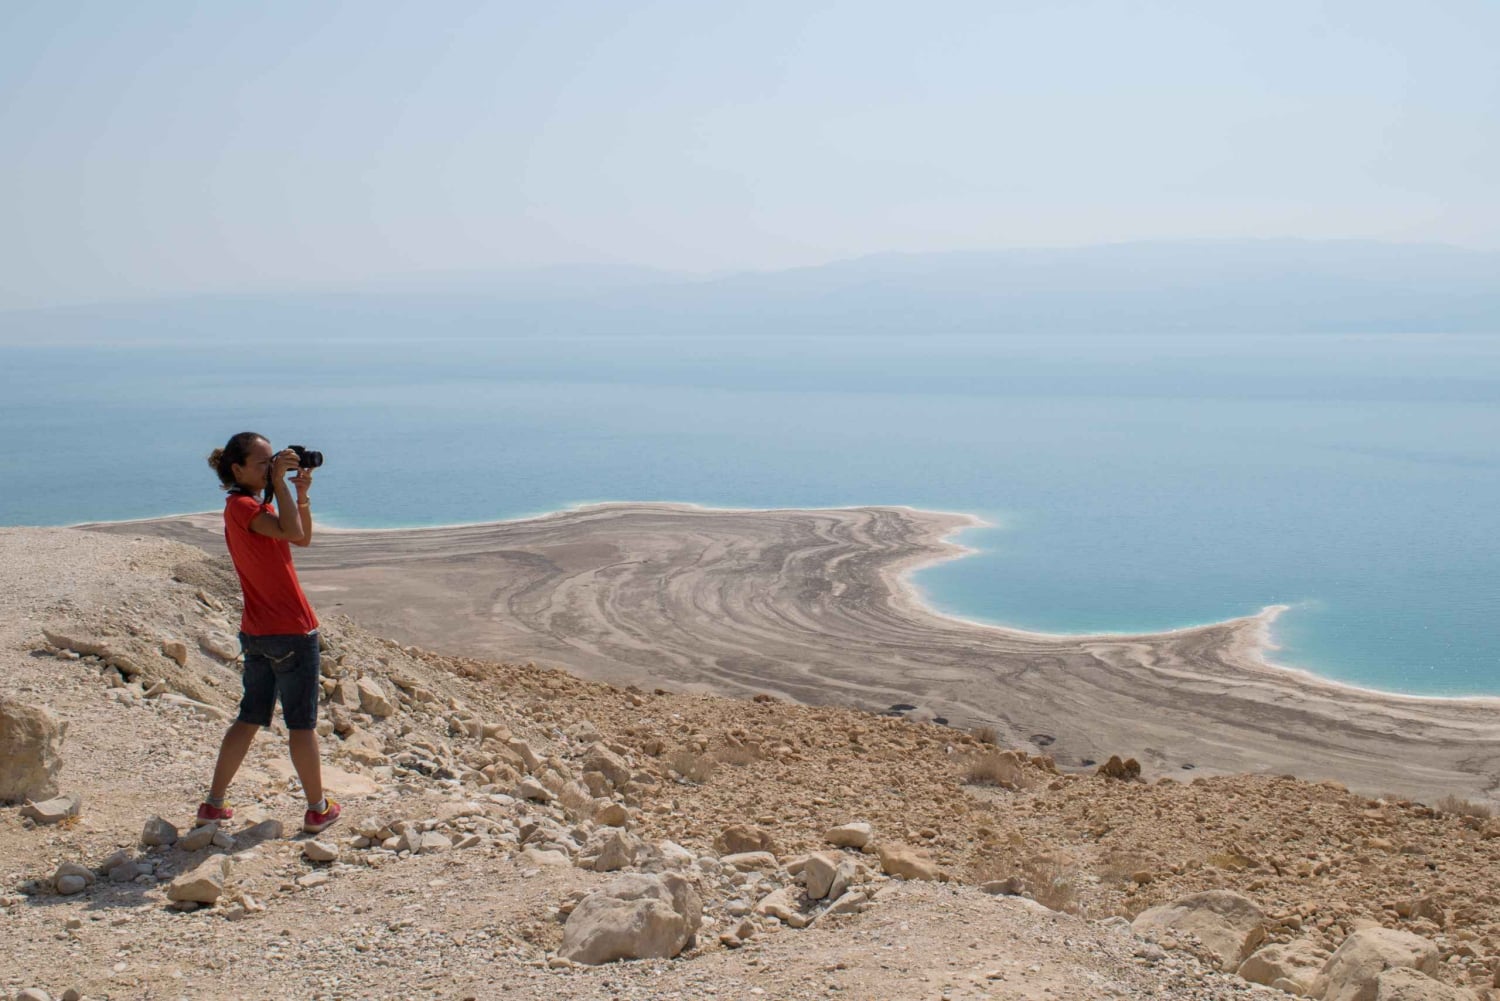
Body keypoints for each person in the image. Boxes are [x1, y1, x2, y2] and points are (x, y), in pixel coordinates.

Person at [198, 431, 340, 834]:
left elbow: (303, 537)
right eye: (262, 464)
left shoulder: (247, 508)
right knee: (301, 725)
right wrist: (279, 486)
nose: (270, 467)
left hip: (258, 632)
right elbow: (295, 534)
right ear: (237, 469)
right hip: (291, 631)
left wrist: (300, 492)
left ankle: (213, 804)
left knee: (249, 718)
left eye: (271, 461)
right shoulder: (245, 507)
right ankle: (317, 808)